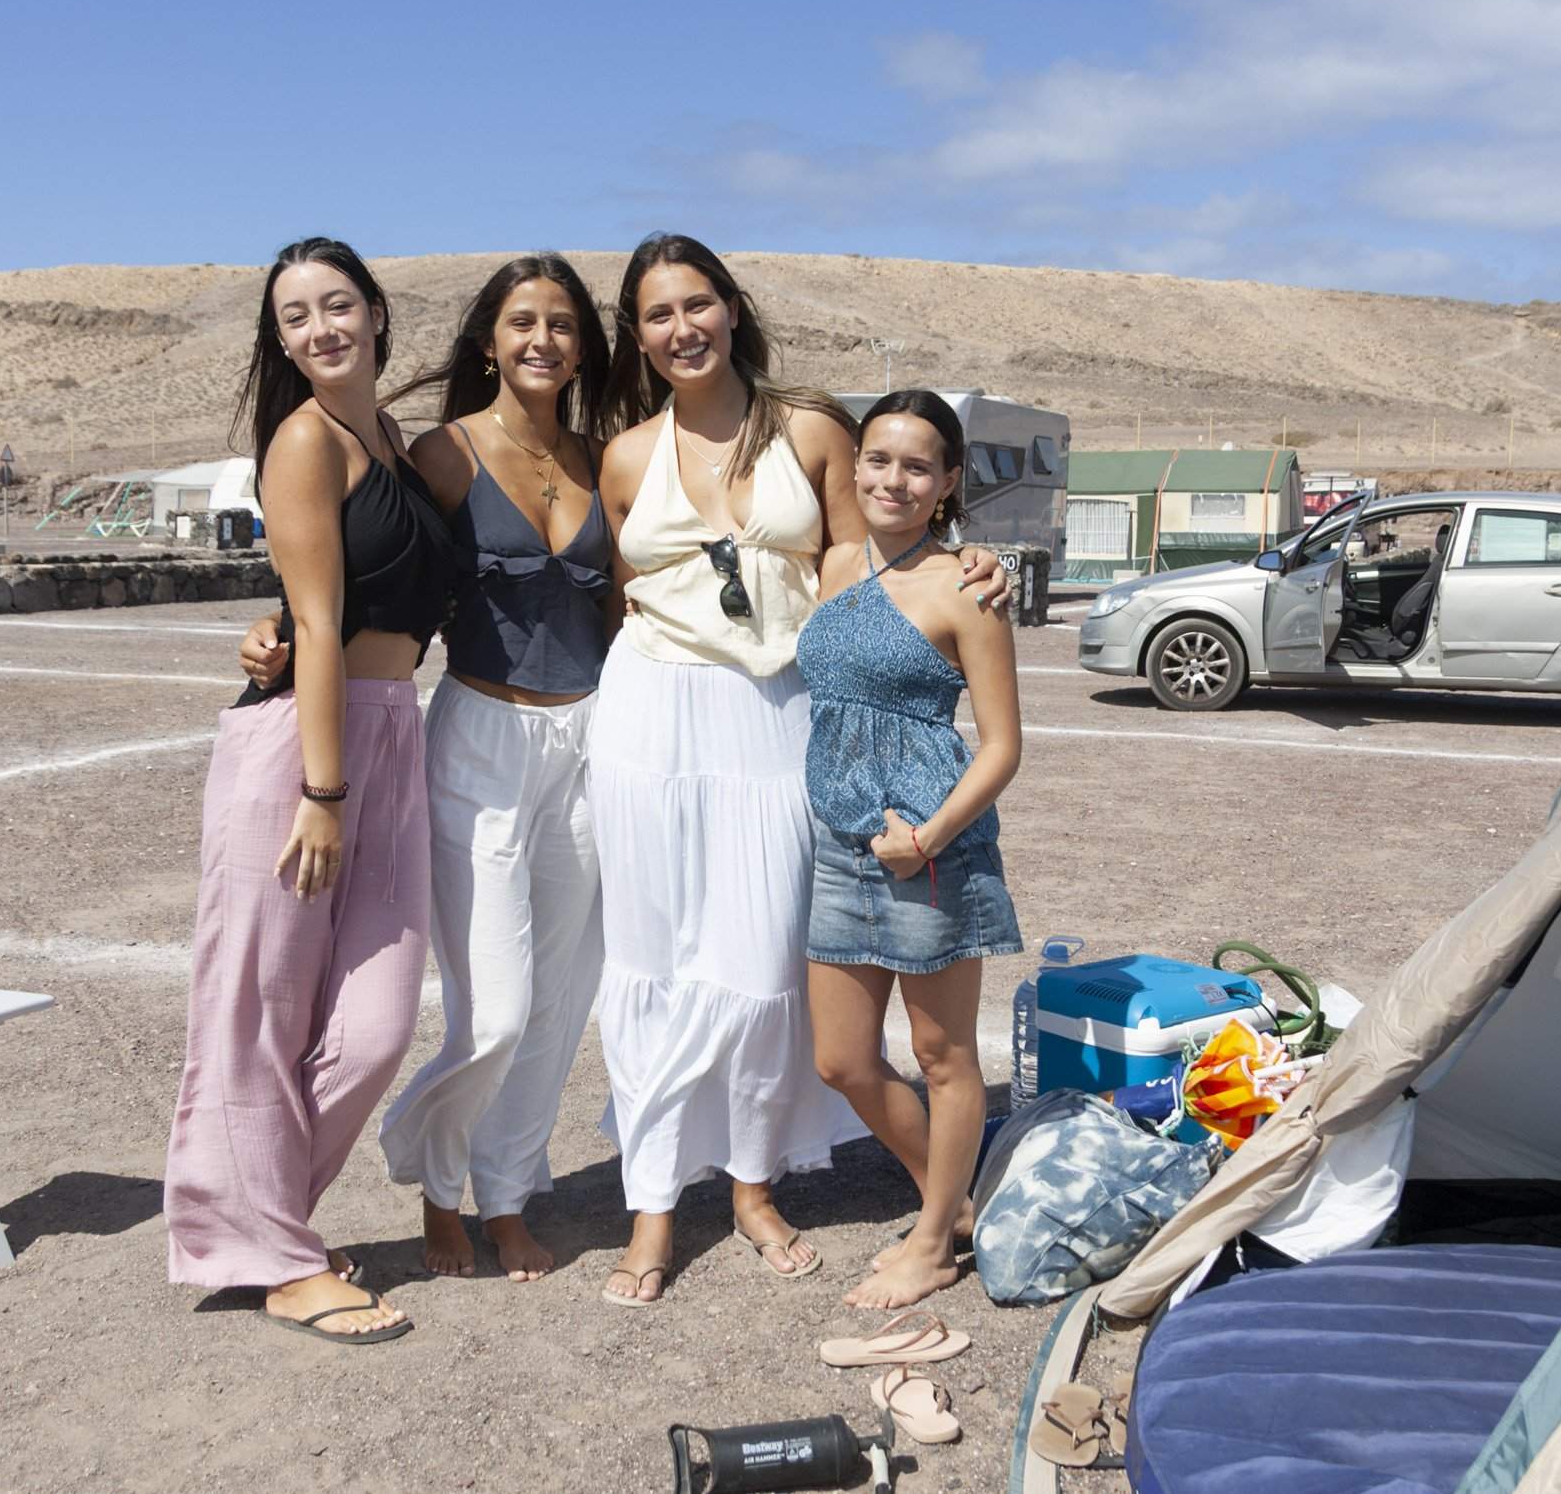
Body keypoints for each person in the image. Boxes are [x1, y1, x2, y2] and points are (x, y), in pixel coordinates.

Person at [586, 234, 1010, 1306]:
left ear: (731, 308)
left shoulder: (814, 429)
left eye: (698, 302)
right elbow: (602, 590)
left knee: (765, 967)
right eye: (655, 313)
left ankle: (758, 1186)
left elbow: (873, 563)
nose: (681, 326)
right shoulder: (625, 453)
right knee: (657, 958)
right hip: (649, 716)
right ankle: (653, 1197)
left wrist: (976, 554)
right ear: (635, 335)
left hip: (779, 723)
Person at [238, 254, 631, 1283]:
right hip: (476, 739)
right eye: (518, 323)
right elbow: (375, 565)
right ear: (488, 342)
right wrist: (275, 630)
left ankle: (505, 1193)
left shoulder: (605, 462)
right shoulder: (441, 453)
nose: (539, 339)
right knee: (492, 1006)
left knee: (558, 1002)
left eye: (558, 323)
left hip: (588, 743)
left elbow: (629, 606)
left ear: (580, 344)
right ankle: (434, 1178)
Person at [164, 237, 454, 1345]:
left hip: (391, 728)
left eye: (338, 305)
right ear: (279, 339)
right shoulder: (299, 441)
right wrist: (321, 789)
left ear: (377, 314)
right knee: (258, 1006)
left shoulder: (391, 439)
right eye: (296, 316)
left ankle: (263, 1213)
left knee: (375, 1025)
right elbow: (319, 623)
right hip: (300, 746)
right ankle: (271, 1253)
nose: (321, 328)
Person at [798, 390, 1022, 1310]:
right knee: (842, 1059)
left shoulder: (969, 587)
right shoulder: (833, 562)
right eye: (879, 459)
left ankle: (933, 1240)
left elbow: (1003, 746)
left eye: (918, 465)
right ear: (854, 467)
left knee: (944, 1055)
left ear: (948, 483)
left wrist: (924, 836)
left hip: (932, 849)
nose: (894, 478)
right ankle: (958, 1198)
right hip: (840, 846)